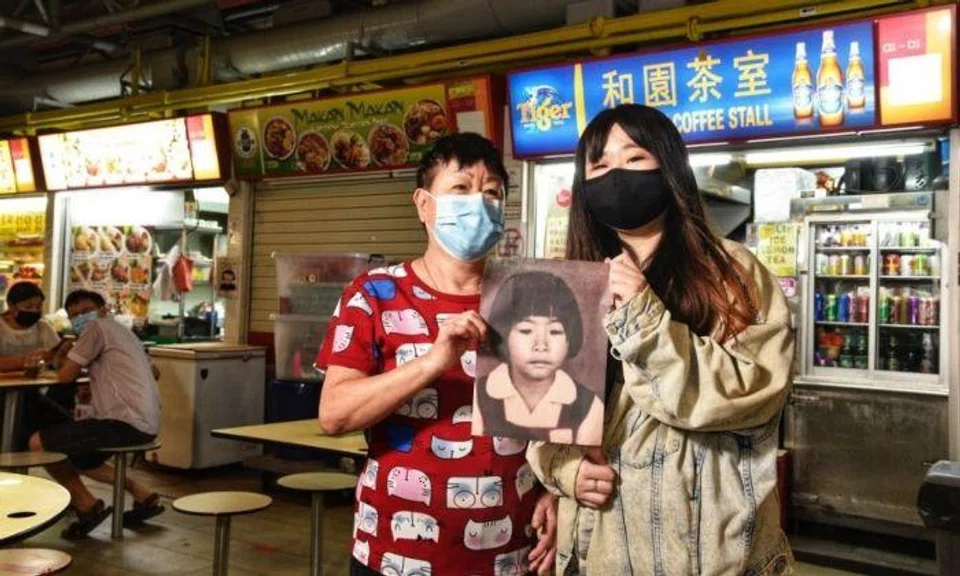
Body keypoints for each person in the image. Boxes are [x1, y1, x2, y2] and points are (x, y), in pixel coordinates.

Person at [526, 104, 795, 575]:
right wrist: (565, 473)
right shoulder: (569, 283)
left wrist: (642, 316)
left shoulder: (734, 274)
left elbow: (755, 395)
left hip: (706, 553)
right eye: (600, 165)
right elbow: (545, 416)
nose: (616, 175)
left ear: (669, 167)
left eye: (634, 159)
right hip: (597, 550)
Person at [317, 132, 557, 576]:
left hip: (511, 558)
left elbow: (558, 422)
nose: (479, 202)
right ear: (424, 205)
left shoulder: (535, 299)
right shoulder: (374, 295)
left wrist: (557, 493)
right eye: (461, 189)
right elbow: (334, 415)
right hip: (394, 554)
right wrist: (432, 362)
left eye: (492, 193)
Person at [28, 290, 164, 539]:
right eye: (75, 315)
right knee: (79, 456)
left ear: (103, 309)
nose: (81, 318)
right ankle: (143, 494)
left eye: (85, 311)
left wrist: (62, 353)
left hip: (122, 422)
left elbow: (65, 376)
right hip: (145, 421)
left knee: (38, 443)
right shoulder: (126, 333)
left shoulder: (96, 328)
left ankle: (87, 506)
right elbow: (154, 372)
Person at [473, 271, 603, 445]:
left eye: (555, 331)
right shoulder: (479, 396)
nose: (541, 345)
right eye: (526, 330)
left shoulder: (588, 405)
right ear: (503, 334)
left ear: (570, 338)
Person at [0, 282, 59, 373]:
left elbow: (57, 355)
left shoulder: (43, 327)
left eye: (38, 306)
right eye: (28, 306)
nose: (34, 311)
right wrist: (25, 360)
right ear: (11, 306)